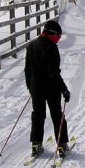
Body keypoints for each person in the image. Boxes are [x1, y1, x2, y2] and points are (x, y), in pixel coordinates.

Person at [24, 20, 71, 158]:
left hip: (36, 88)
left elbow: (27, 70)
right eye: (58, 36)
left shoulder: (31, 45)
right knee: (57, 115)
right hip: (51, 88)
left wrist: (30, 86)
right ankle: (62, 145)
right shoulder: (51, 48)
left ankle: (36, 144)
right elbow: (54, 73)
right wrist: (64, 90)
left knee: (38, 115)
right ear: (51, 34)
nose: (59, 39)